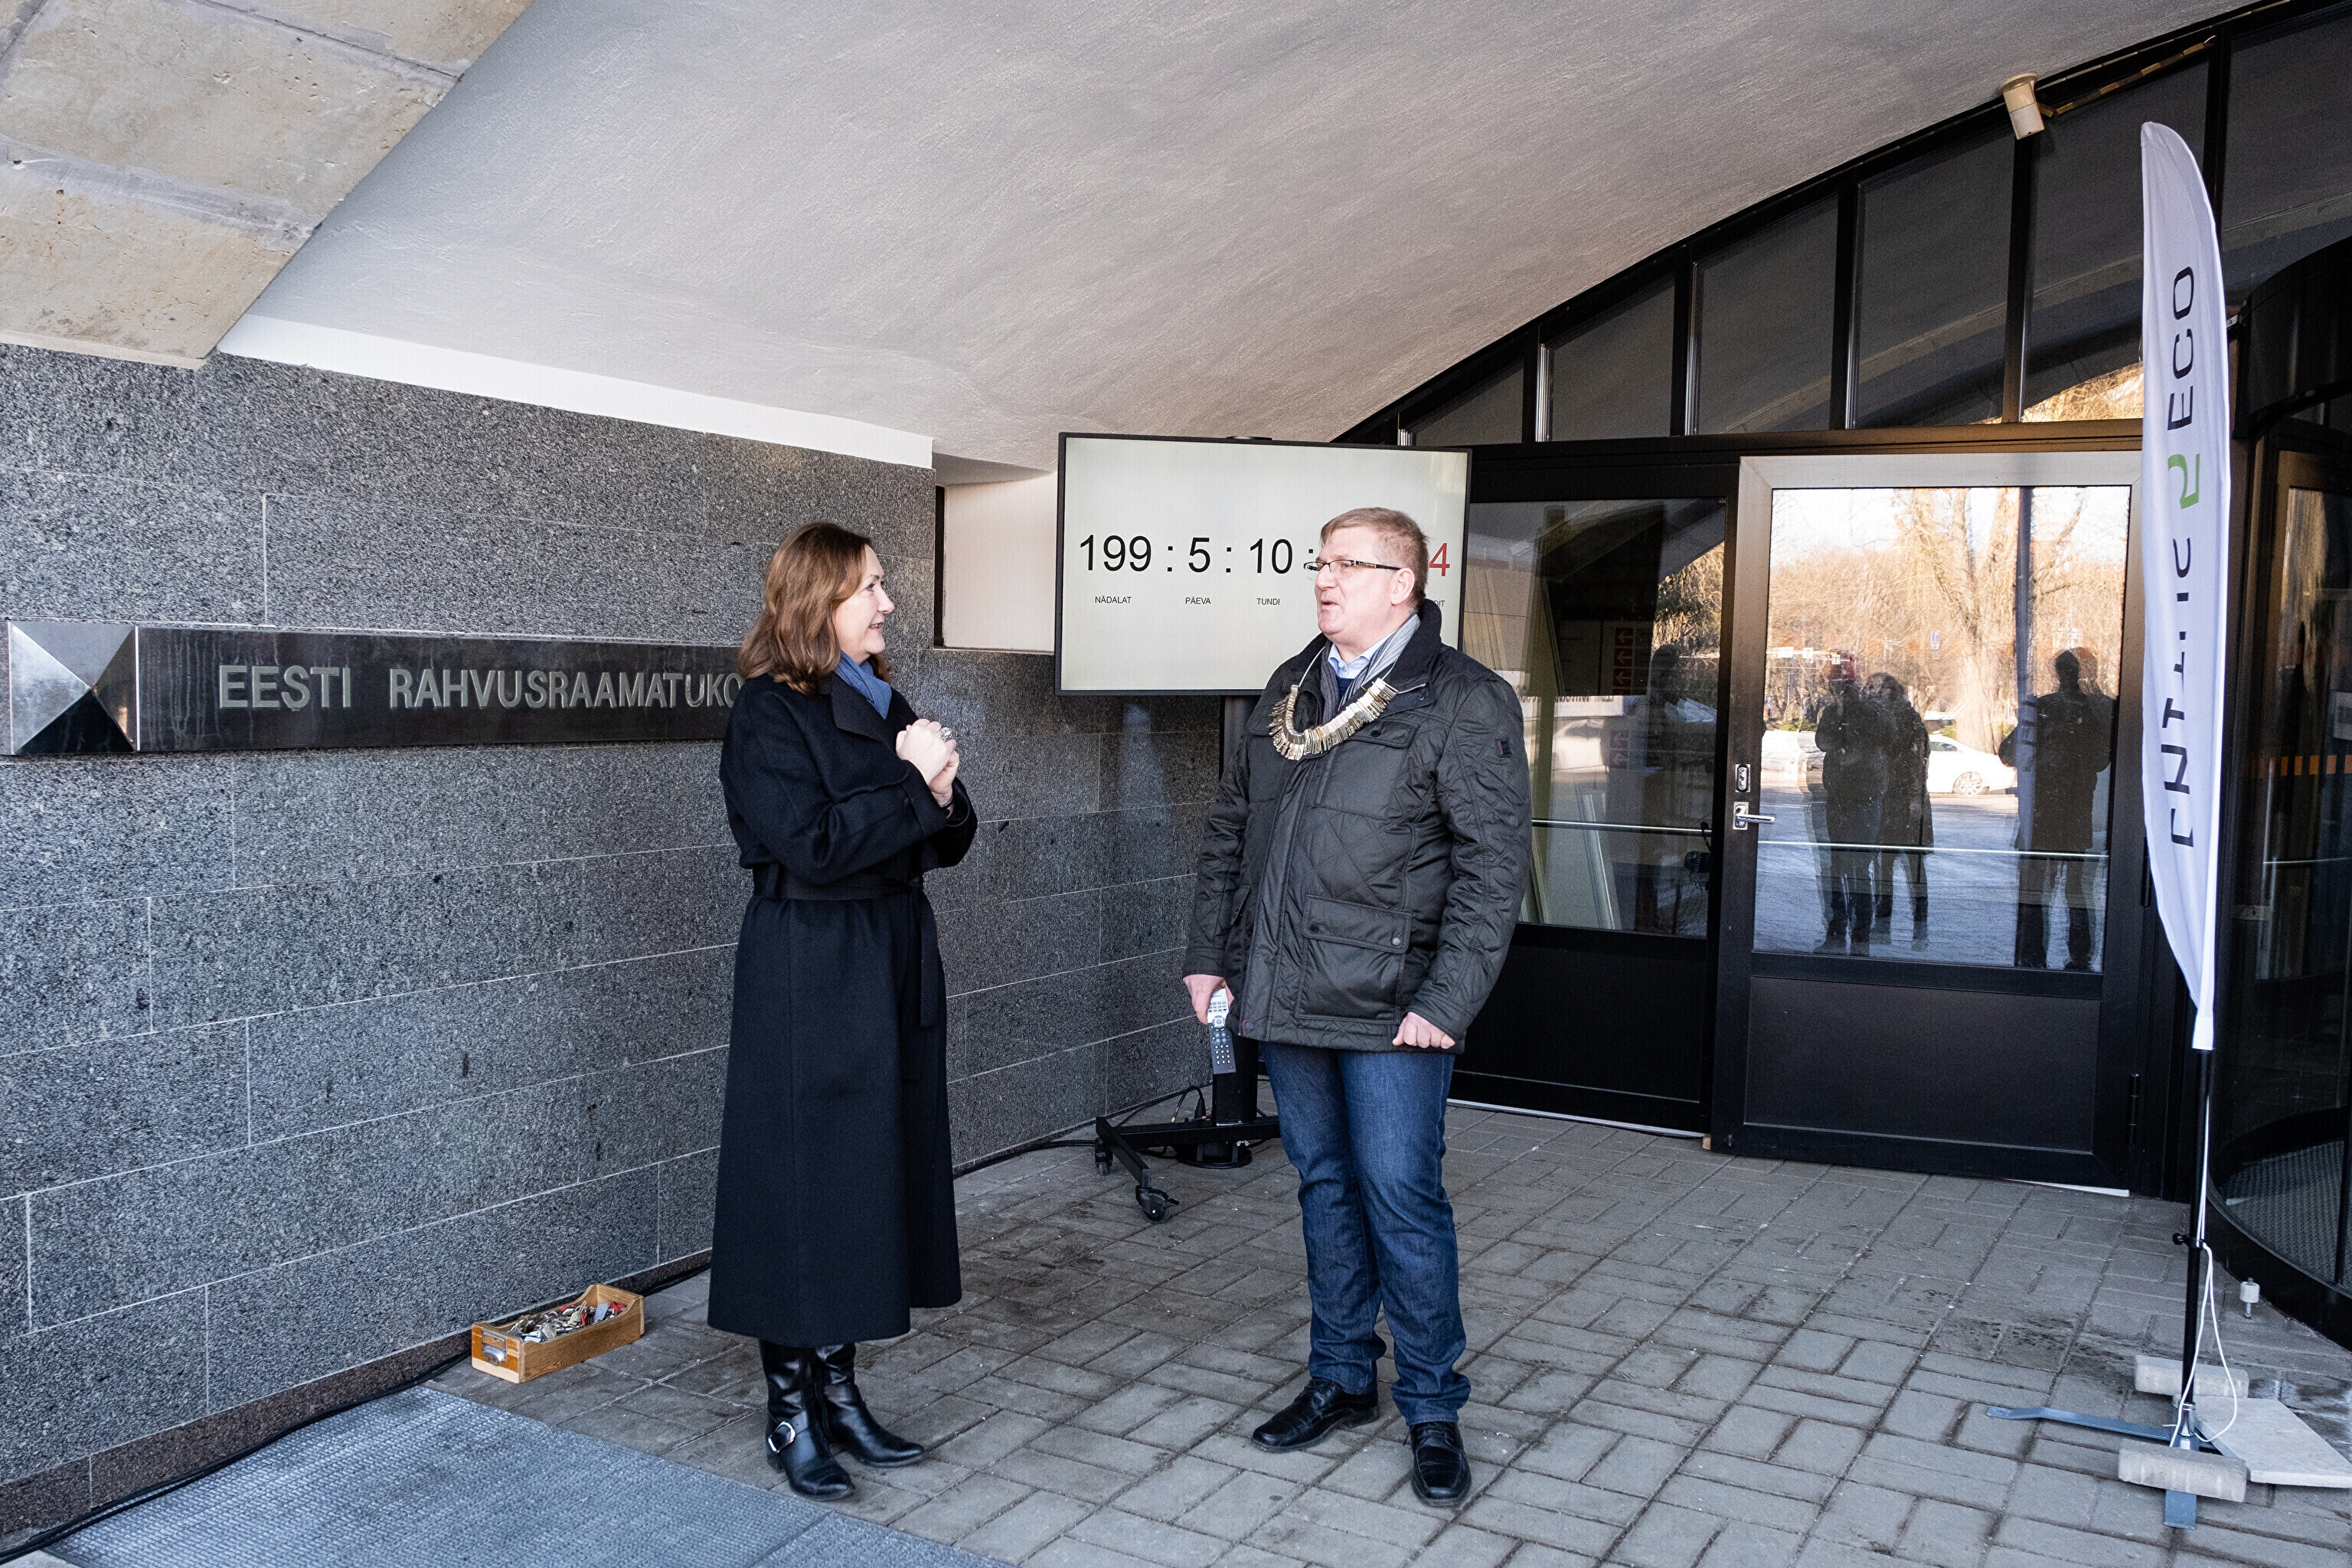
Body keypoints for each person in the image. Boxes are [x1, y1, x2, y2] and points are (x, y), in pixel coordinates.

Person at [1181, 506, 1530, 1508]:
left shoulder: (1461, 698)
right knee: (1325, 1187)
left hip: (1393, 1011)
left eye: (1347, 564)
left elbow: (1492, 867)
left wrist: (1447, 1001)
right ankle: (1340, 1375)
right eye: (1320, 561)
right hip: (1288, 991)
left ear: (1402, 583)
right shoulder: (1291, 688)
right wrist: (1209, 955)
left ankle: (1432, 1406)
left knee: (1399, 1197)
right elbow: (1232, 828)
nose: (1324, 579)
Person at [708, 521, 976, 1498]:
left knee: (866, 1175)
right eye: (871, 585)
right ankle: (790, 1411)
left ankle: (839, 1390)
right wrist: (915, 782)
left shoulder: (876, 694)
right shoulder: (767, 712)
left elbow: (948, 831)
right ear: (819, 597)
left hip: (887, 954)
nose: (888, 602)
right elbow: (814, 844)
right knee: (804, 1181)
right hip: (810, 966)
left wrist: (938, 792)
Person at [2000, 648, 2115, 969]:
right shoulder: (2099, 709)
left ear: (2058, 673)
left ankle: (2032, 956)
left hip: (2044, 810)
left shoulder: (2045, 708)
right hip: (2072, 810)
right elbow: (2100, 759)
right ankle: (2079, 955)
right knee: (2076, 890)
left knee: (2038, 890)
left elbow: (2008, 753)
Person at [1810, 655, 1891, 955]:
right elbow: (1824, 741)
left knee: (1857, 868)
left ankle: (1857, 936)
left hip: (1863, 799)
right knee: (1840, 868)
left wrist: (1853, 711)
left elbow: (1886, 735)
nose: (1840, 691)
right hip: (1842, 798)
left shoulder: (1872, 711)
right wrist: (1839, 715)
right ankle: (1842, 932)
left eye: (1845, 686)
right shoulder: (1837, 711)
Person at [1866, 672, 1932, 951]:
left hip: (1906, 800)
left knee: (1915, 868)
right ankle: (1883, 925)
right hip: (1885, 799)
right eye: (1873, 688)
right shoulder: (1876, 718)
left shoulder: (1908, 718)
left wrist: (1915, 798)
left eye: (1882, 688)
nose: (1876, 692)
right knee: (1884, 865)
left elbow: (1919, 760)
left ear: (1893, 691)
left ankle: (1920, 927)